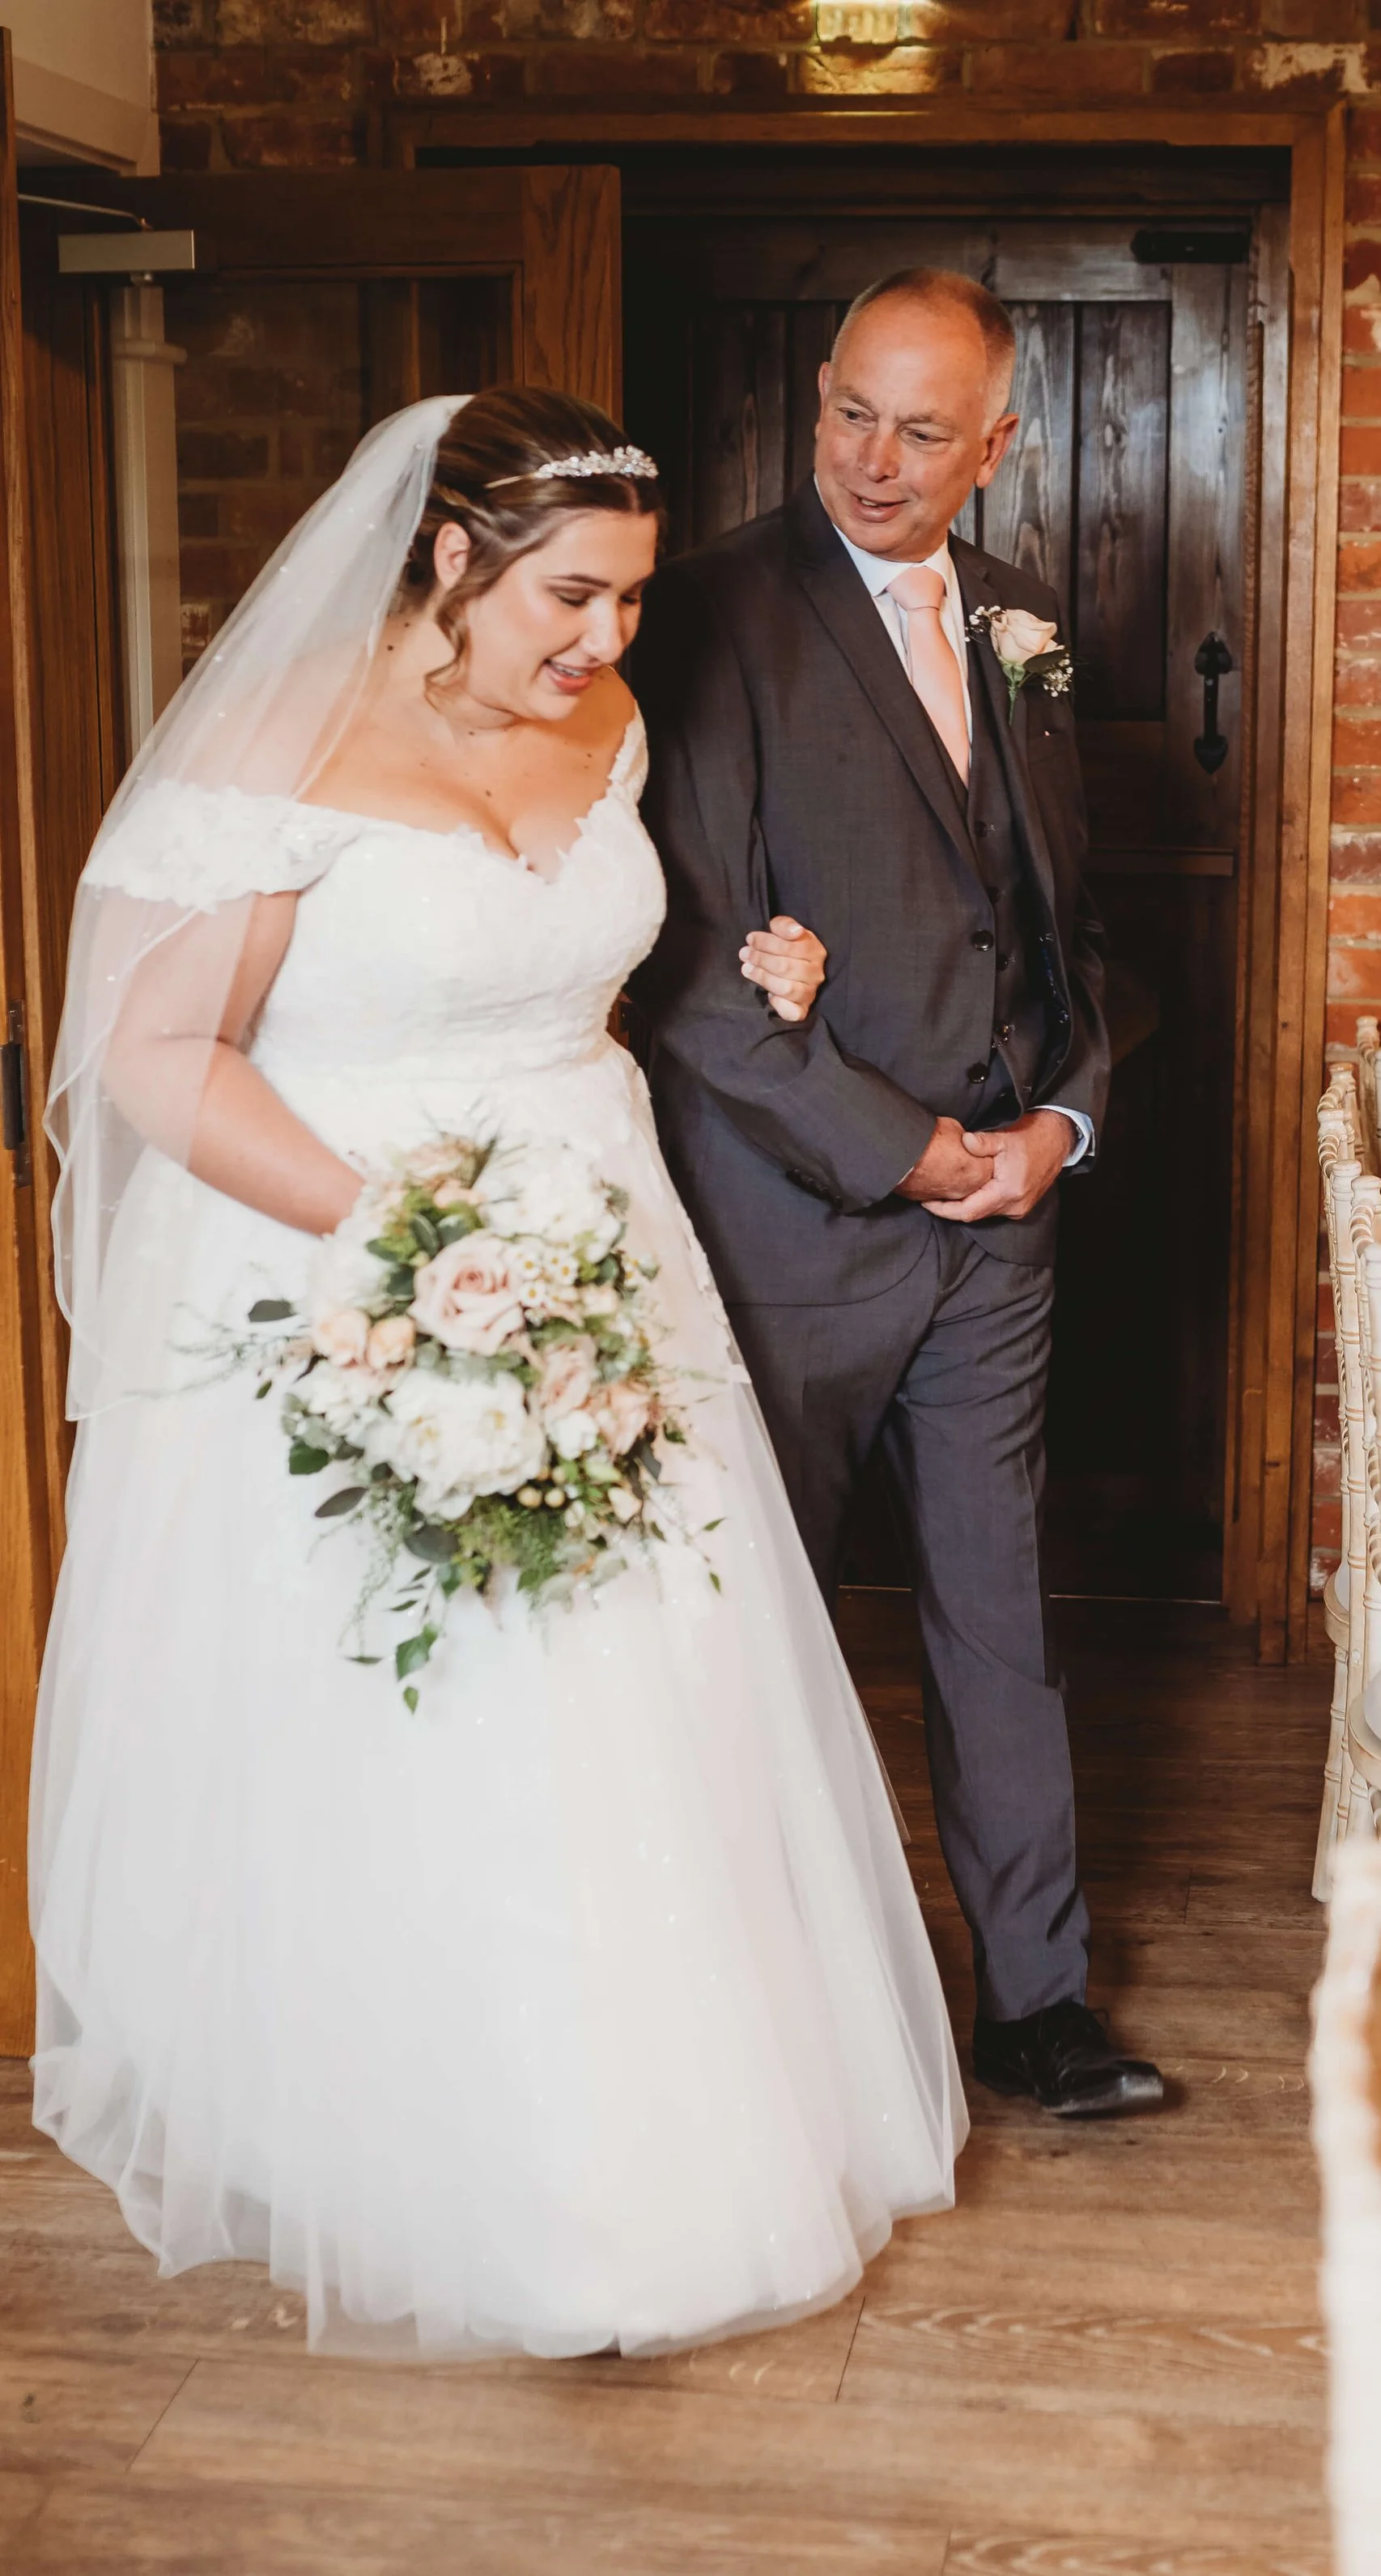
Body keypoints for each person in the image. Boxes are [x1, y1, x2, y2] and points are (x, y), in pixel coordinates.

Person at [31, 387, 967, 2355]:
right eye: (568, 596)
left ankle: (657, 2150)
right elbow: (157, 1056)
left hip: (607, 1254)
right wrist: (410, 1248)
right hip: (356, 1273)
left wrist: (771, 971)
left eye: (628, 600)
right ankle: (461, 2171)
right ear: (449, 557)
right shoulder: (279, 752)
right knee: (436, 1699)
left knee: (643, 1685)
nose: (606, 641)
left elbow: (599, 975)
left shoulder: (607, 727)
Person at [633, 270, 1164, 2119]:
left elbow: (1069, 926)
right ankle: (752, 2022)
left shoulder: (1025, 622)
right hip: (790, 1227)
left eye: (921, 430)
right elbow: (690, 965)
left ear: (995, 445)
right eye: (849, 411)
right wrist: (900, 1148)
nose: (872, 457)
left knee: (999, 1615)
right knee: (752, 1632)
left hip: (1001, 1227)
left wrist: (1057, 1129)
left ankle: (1036, 2001)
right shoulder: (707, 614)